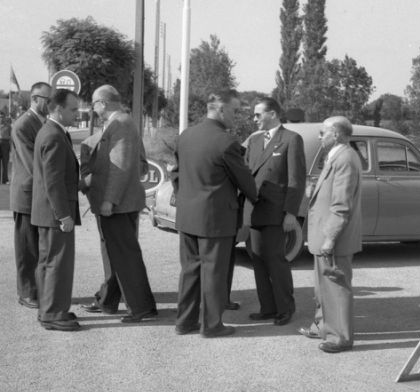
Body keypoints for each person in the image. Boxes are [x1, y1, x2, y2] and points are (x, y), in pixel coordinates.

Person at [172, 90, 257, 337]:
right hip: (215, 219)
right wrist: (256, 196)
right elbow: (245, 181)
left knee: (190, 270)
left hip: (188, 216)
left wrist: (185, 197)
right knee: (214, 273)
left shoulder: (186, 136)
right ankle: (212, 325)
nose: (236, 116)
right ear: (220, 109)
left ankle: (184, 322)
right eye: (234, 110)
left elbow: (176, 173)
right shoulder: (226, 142)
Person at [82, 84, 157, 323]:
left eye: (94, 104)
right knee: (116, 254)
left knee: (126, 257)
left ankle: (142, 308)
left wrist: (109, 200)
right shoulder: (119, 123)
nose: (93, 109)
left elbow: (120, 166)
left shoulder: (121, 124)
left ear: (103, 103)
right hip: (119, 203)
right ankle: (108, 301)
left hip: (118, 204)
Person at [298, 116, 362, 353]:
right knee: (322, 287)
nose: (319, 136)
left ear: (336, 134)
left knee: (336, 287)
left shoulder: (345, 158)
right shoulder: (336, 155)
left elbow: (341, 204)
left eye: (322, 132)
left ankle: (340, 337)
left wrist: (330, 238)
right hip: (324, 234)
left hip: (334, 238)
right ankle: (322, 326)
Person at [243, 97, 306, 326]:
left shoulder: (291, 139)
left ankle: (285, 308)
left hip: (276, 212)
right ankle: (267, 308)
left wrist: (291, 213)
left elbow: (295, 180)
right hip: (255, 210)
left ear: (272, 114)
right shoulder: (254, 141)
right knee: (258, 260)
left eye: (258, 114)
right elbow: (245, 173)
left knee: (276, 261)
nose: (254, 119)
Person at [31, 88, 81, 331]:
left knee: (48, 263)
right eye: (73, 109)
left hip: (47, 213)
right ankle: (52, 313)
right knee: (57, 264)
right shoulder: (53, 136)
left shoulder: (53, 132)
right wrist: (64, 215)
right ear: (59, 109)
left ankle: (50, 308)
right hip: (54, 214)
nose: (77, 114)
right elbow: (53, 181)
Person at [10, 82, 52, 309]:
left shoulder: (42, 122)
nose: (51, 104)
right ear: (35, 99)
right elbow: (32, 163)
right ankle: (26, 293)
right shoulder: (23, 125)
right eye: (47, 99)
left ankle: (37, 290)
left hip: (38, 194)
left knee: (38, 246)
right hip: (27, 195)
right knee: (26, 248)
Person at [0, 112, 11, 184]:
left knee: (5, 163)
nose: (1, 118)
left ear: (4, 118)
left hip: (5, 144)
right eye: (0, 117)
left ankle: (5, 180)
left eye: (2, 117)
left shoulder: (8, 126)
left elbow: (11, 136)